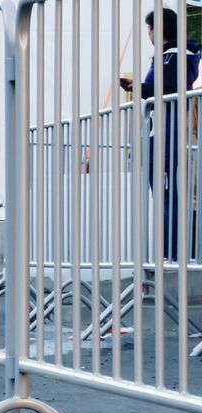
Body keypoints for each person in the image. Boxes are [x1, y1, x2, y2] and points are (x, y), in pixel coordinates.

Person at [120, 8, 202, 260]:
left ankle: (173, 253)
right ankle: (170, 251)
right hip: (162, 128)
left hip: (168, 130)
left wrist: (142, 88)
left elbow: (167, 86)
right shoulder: (169, 54)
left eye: (150, 28)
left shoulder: (174, 54)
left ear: (159, 29)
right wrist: (141, 88)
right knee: (164, 192)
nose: (148, 33)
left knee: (168, 192)